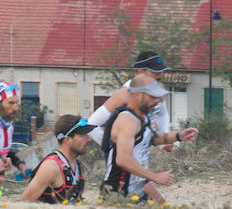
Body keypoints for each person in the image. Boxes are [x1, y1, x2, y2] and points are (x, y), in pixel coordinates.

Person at [89, 51, 198, 202]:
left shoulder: (143, 110)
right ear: (140, 72)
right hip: (118, 191)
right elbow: (91, 124)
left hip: (137, 172)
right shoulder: (128, 109)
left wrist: (176, 136)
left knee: (158, 200)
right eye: (154, 71)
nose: (158, 101)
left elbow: (154, 129)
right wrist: (112, 144)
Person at [100, 74, 177, 197]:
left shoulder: (142, 117)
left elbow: (151, 138)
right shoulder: (127, 120)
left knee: (162, 203)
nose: (157, 101)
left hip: (136, 187)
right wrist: (156, 177)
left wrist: (179, 136)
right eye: (152, 96)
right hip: (117, 193)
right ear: (136, 95)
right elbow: (123, 159)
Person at [20, 114, 94, 204]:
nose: (89, 139)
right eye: (83, 135)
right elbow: (23, 203)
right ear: (67, 140)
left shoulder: (76, 164)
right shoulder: (51, 166)